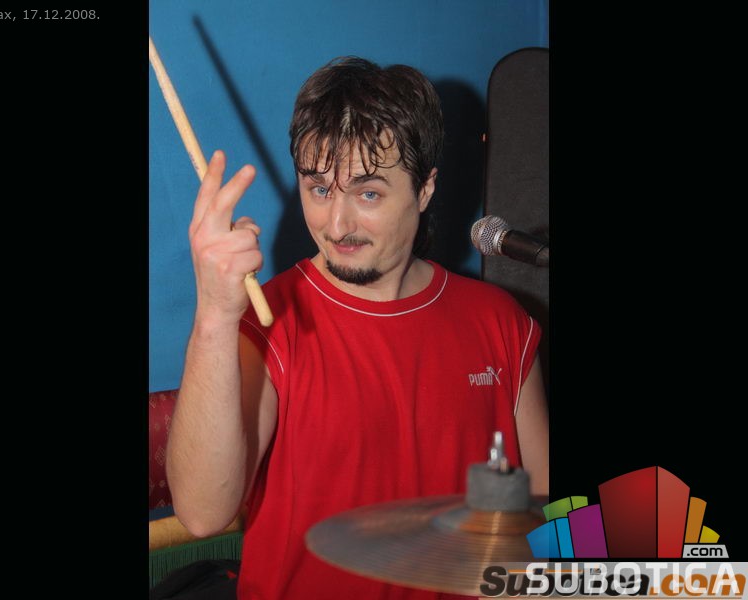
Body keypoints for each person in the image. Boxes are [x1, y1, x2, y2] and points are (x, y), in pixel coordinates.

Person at [166, 56, 549, 600]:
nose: (337, 225)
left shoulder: (501, 320)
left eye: (368, 193)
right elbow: (203, 514)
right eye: (319, 189)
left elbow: (550, 508)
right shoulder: (268, 321)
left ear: (424, 189)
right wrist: (212, 315)